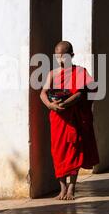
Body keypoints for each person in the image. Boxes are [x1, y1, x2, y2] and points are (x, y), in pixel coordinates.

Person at [40, 41, 100, 200]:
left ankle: (72, 187)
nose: (61, 60)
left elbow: (80, 94)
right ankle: (62, 188)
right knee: (58, 151)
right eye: (58, 57)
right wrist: (50, 106)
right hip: (58, 118)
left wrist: (65, 104)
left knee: (74, 148)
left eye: (64, 57)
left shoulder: (79, 72)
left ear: (72, 56)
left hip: (73, 117)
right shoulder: (52, 74)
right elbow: (43, 93)